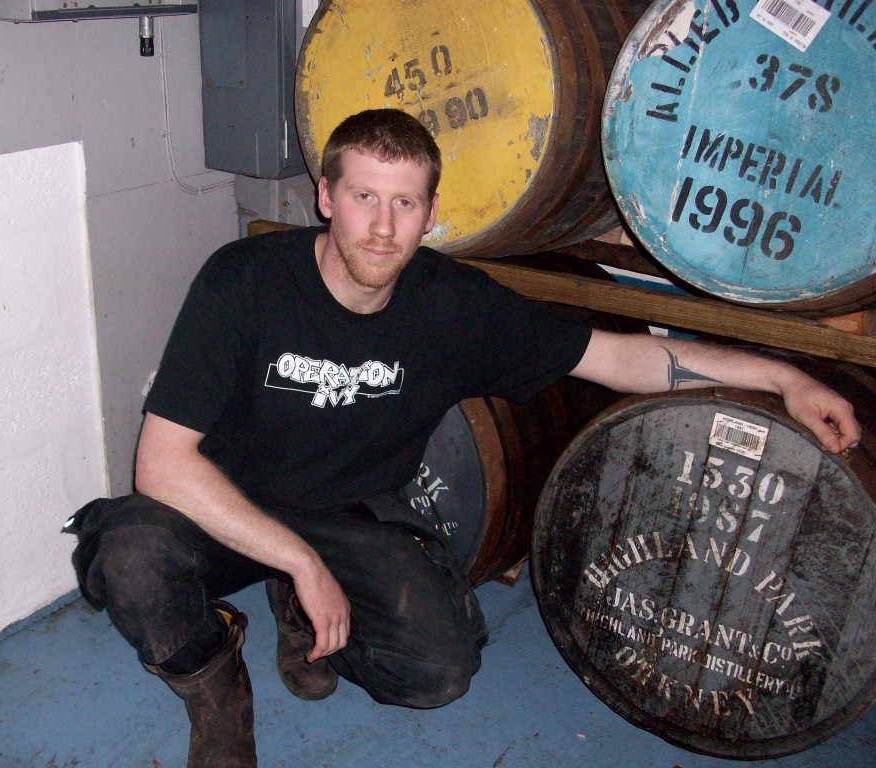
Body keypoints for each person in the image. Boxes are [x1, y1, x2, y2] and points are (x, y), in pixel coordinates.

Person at [65, 109, 860, 767]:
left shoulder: (455, 307)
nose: (382, 228)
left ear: (432, 213)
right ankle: (217, 687)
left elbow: (620, 357)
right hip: (227, 506)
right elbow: (163, 462)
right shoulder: (242, 282)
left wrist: (782, 377)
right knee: (129, 556)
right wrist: (298, 560)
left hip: (350, 511)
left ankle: (302, 610)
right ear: (325, 198)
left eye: (405, 204)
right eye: (365, 198)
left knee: (437, 675)